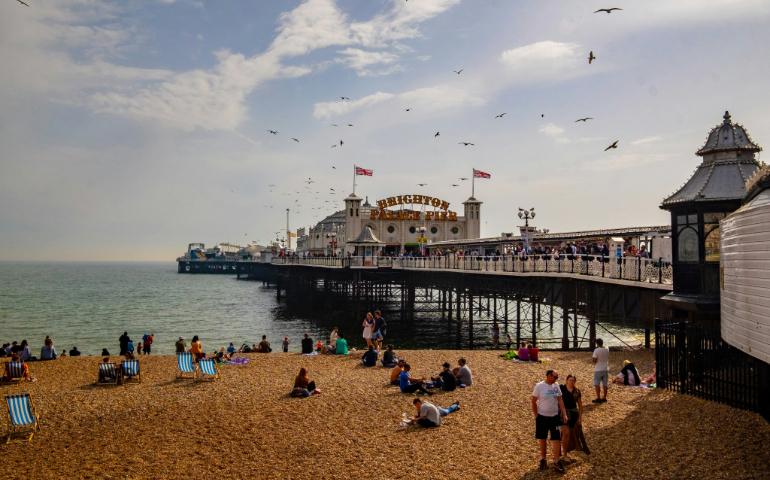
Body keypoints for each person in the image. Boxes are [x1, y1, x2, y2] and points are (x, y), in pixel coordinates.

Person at [532, 370, 568, 473]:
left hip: (555, 417)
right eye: (555, 377)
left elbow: (560, 400)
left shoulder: (556, 386)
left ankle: (556, 461)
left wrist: (564, 413)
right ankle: (543, 459)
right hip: (542, 417)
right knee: (542, 438)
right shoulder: (539, 386)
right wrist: (536, 415)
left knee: (556, 438)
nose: (556, 379)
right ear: (548, 375)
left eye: (557, 377)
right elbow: (533, 401)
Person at [561, 374, 589, 456]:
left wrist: (580, 418)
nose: (571, 382)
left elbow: (580, 405)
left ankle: (576, 449)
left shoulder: (577, 391)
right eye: (570, 380)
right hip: (564, 413)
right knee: (565, 433)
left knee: (576, 433)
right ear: (566, 380)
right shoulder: (561, 388)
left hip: (574, 414)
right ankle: (564, 453)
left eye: (573, 380)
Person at [592, 338, 609, 403]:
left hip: (598, 369)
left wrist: (594, 360)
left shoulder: (596, 350)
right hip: (605, 369)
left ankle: (598, 398)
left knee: (597, 384)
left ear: (597, 343)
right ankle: (604, 397)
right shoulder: (607, 349)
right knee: (605, 384)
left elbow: (594, 360)